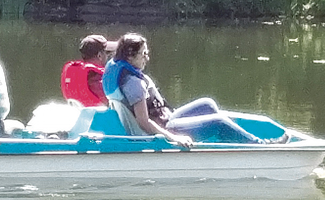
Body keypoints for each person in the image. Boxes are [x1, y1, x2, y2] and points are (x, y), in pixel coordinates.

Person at [103, 33, 263, 145]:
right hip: (167, 128)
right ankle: (260, 145)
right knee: (218, 122)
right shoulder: (133, 84)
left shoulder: (129, 74)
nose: (147, 57)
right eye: (143, 54)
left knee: (207, 104)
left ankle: (232, 139)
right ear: (130, 56)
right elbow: (144, 123)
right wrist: (173, 138)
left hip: (168, 118)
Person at [60, 35, 117, 107]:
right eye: (107, 53)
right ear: (99, 55)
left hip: (85, 114)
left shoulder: (78, 75)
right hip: (103, 116)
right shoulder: (96, 78)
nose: (108, 57)